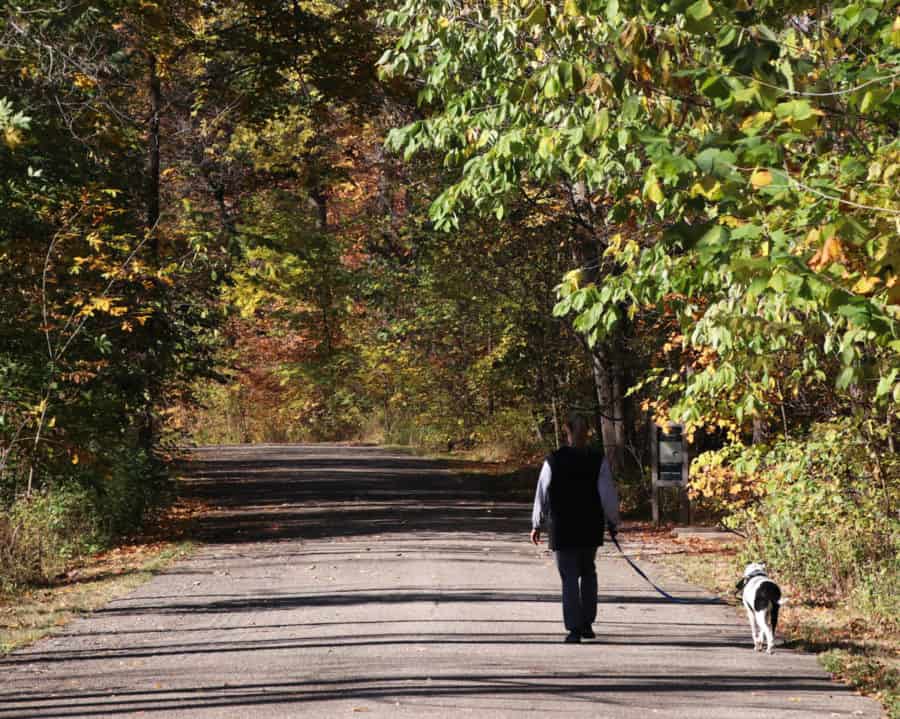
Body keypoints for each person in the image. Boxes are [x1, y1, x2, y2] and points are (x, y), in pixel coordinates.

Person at [530, 413, 620, 643]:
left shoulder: (554, 459)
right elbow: (607, 494)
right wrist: (612, 520)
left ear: (566, 432)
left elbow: (542, 492)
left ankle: (574, 628)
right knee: (588, 572)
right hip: (589, 525)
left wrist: (536, 523)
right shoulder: (596, 459)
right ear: (588, 432)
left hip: (563, 525)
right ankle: (587, 622)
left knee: (569, 577)